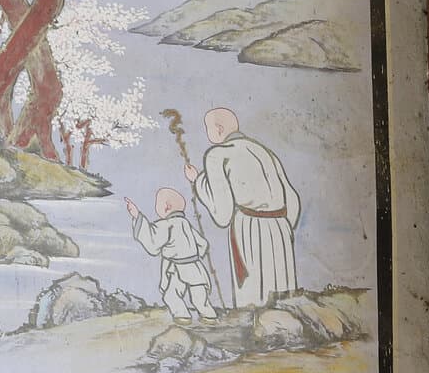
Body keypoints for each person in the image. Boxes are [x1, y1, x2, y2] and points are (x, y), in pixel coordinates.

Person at [185, 106, 300, 307]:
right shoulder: (264, 151)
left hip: (249, 229)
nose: (207, 133)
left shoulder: (217, 154)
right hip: (280, 228)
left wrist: (198, 182)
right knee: (282, 296)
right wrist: (283, 227)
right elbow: (292, 197)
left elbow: (223, 214)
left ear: (219, 129)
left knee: (254, 299)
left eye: (208, 128)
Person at [124, 186, 219, 322]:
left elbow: (152, 241)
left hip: (176, 269)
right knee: (199, 296)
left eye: (157, 204)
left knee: (171, 295)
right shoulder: (186, 223)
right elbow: (202, 243)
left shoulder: (167, 224)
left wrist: (137, 216)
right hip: (195, 267)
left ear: (167, 207)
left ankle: (182, 316)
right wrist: (198, 254)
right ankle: (209, 315)